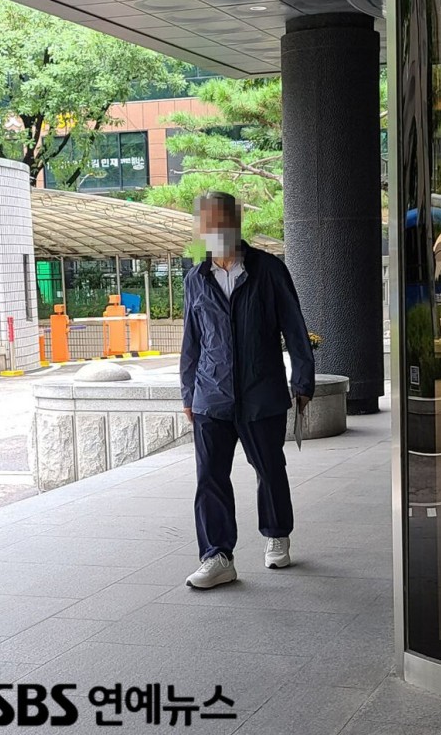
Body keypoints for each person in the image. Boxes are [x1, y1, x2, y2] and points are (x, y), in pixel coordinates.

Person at [180, 191, 315, 589]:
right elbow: (191, 342)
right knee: (210, 478)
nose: (213, 229)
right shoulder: (195, 279)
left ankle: (276, 533)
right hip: (211, 396)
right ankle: (216, 556)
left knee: (270, 469)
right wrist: (188, 393)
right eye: (206, 223)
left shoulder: (268, 270)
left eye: (220, 221)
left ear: (235, 223)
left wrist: (302, 381)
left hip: (261, 394)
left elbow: (294, 327)